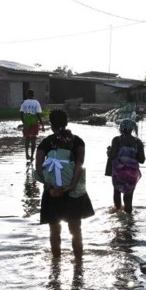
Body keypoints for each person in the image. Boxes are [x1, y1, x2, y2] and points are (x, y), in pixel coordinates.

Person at [35, 109, 94, 258]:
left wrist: (50, 188)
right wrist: (71, 185)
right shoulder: (77, 141)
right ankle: (79, 267)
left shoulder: (46, 142)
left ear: (50, 123)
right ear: (66, 123)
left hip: (51, 193)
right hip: (73, 193)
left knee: (54, 230)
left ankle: (55, 269)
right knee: (76, 230)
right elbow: (79, 164)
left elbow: (38, 167)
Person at [107, 119, 146, 214]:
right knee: (129, 196)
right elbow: (142, 160)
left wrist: (108, 151)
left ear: (121, 129)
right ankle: (129, 219)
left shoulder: (117, 140)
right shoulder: (138, 142)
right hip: (132, 174)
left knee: (117, 191)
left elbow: (112, 155)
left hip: (118, 173)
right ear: (132, 129)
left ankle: (117, 210)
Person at [20, 89, 45, 161]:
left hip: (27, 121)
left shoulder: (24, 103)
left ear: (27, 95)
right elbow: (38, 115)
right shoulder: (36, 103)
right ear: (33, 95)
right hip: (34, 121)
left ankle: (27, 154)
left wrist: (24, 122)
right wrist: (42, 125)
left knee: (27, 139)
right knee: (33, 139)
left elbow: (21, 114)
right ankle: (32, 156)